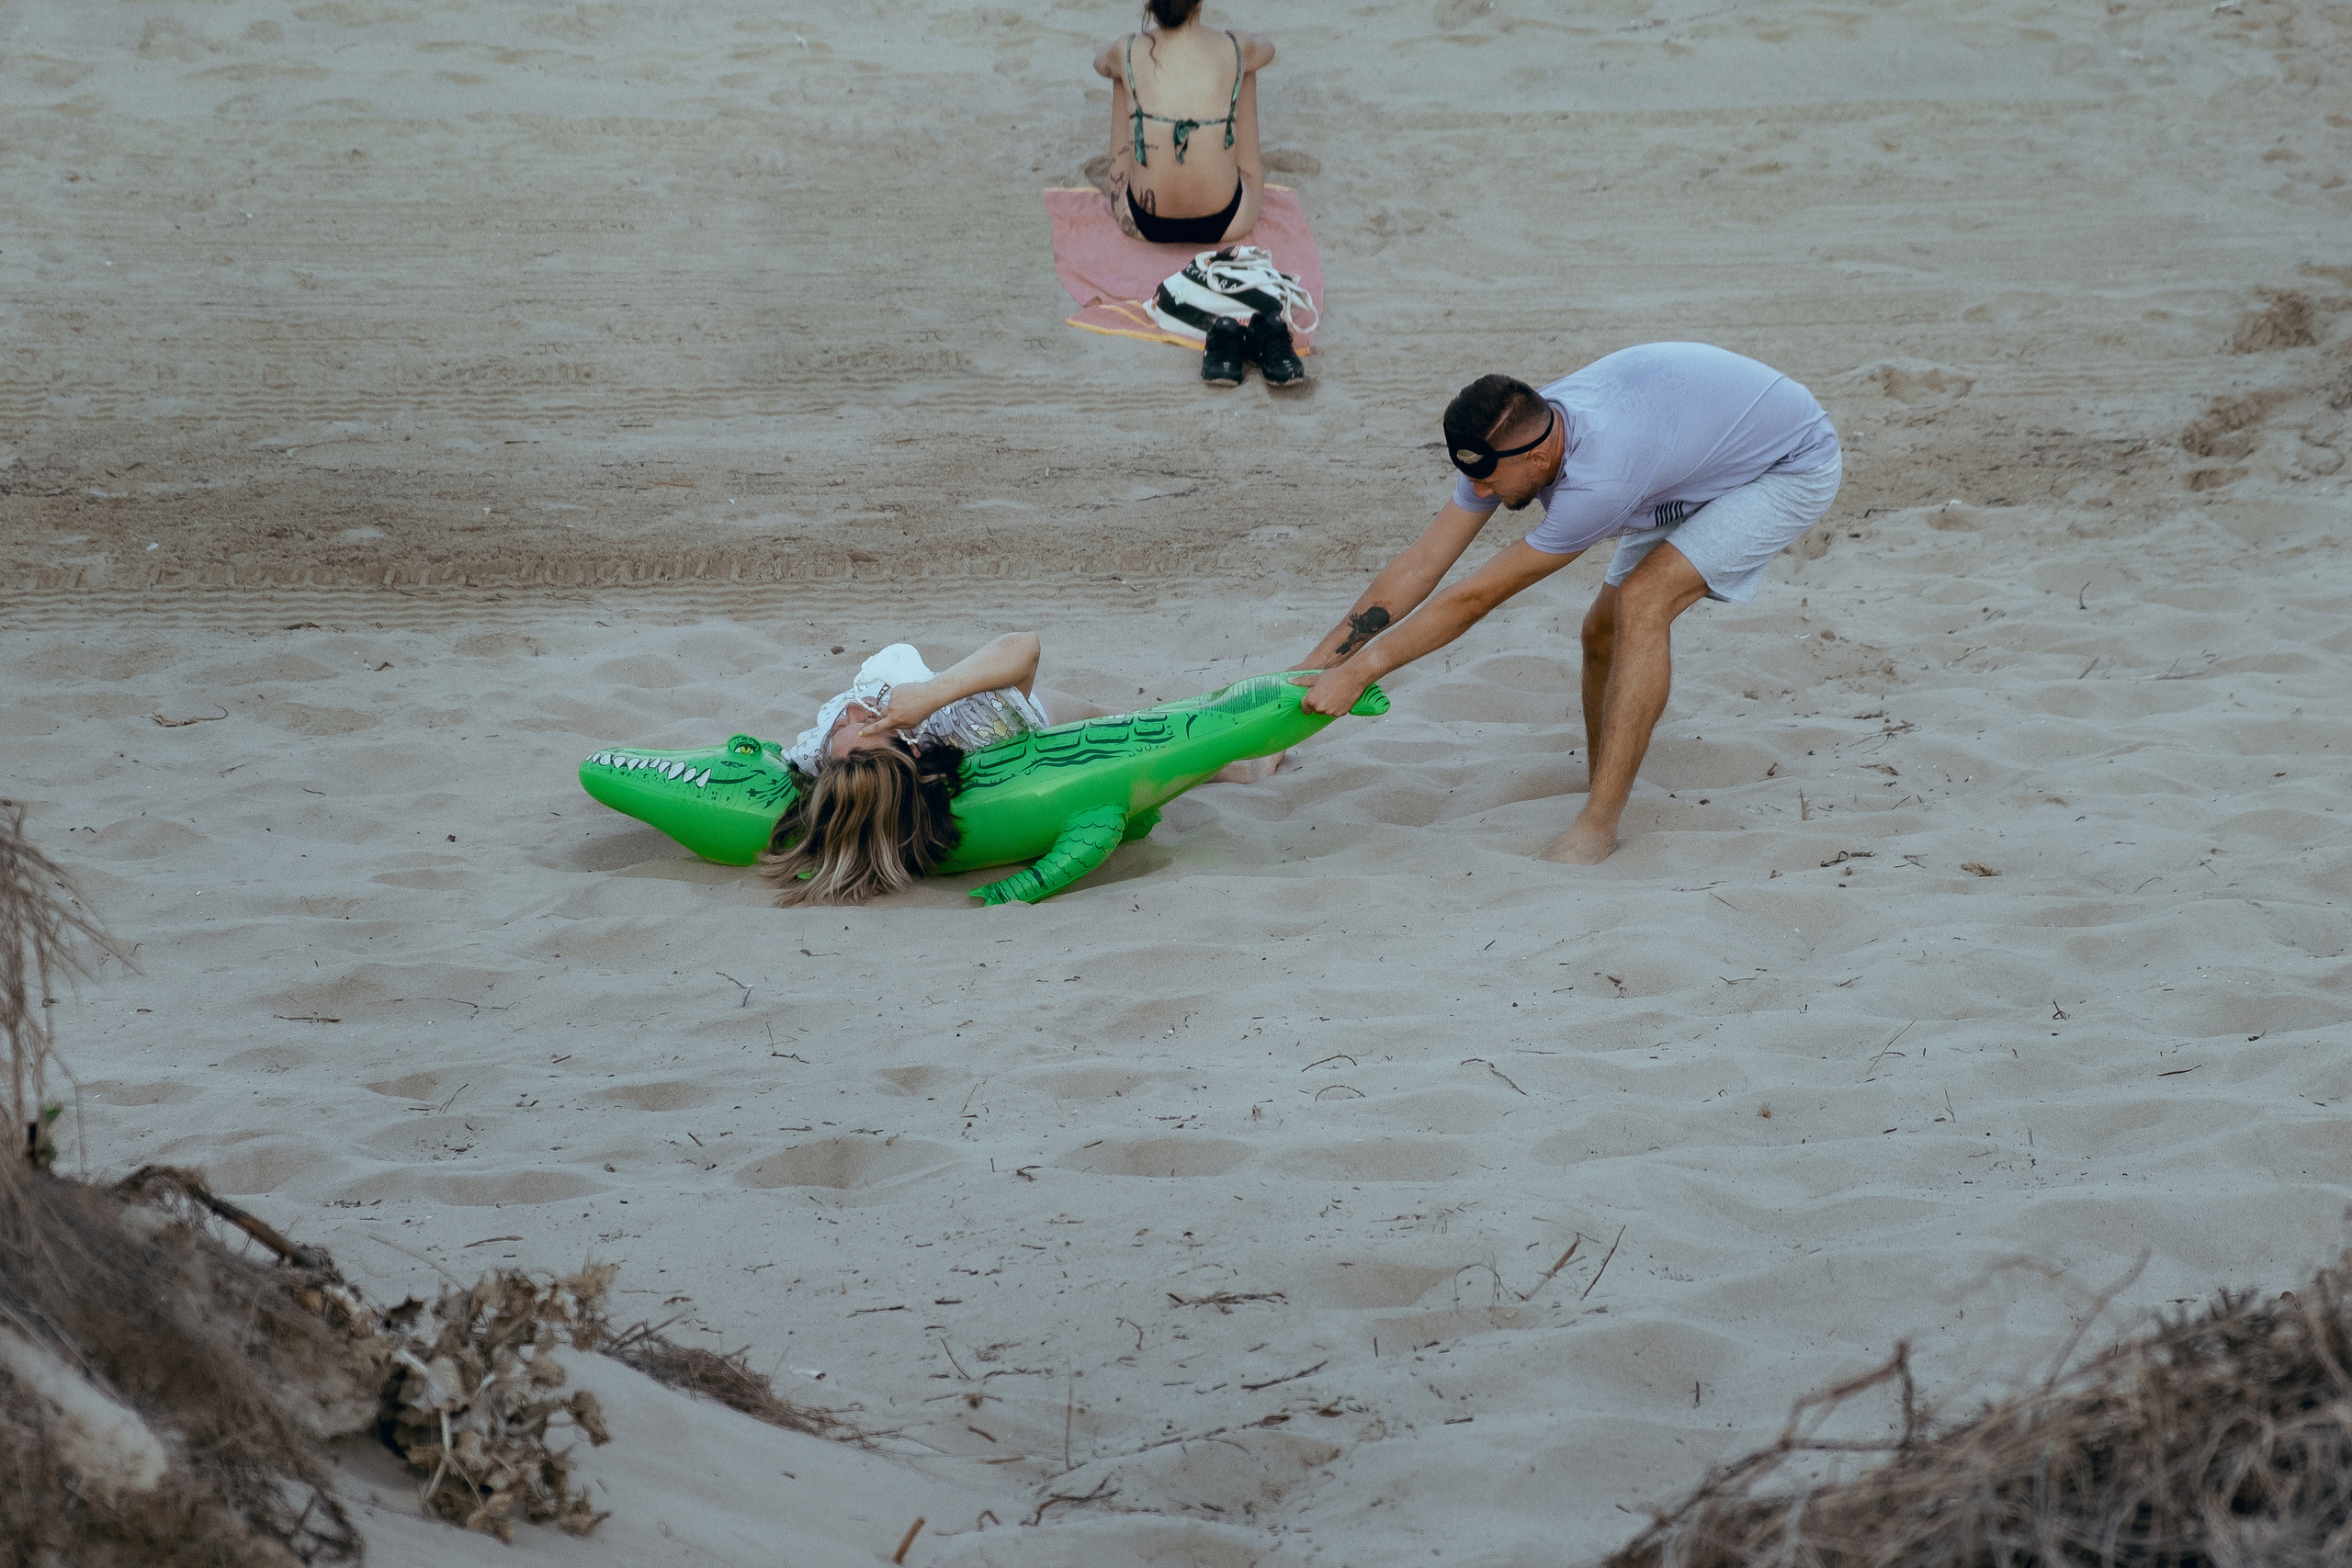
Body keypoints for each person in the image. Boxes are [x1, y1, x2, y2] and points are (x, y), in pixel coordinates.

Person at [1293, 343, 1843, 864]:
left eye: (1487, 478)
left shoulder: (1599, 478)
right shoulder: (1506, 436)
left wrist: (1364, 669)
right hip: (1696, 450)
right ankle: (1607, 770)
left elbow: (1477, 595)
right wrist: (1309, 676)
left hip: (1788, 464)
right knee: (1599, 633)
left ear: (1538, 455)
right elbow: (1422, 564)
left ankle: (1598, 825)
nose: (1477, 491)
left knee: (1643, 600)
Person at [763, 634, 1279, 905]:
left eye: (843, 730)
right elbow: (1024, 645)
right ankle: (1249, 762)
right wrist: (927, 697)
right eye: (873, 724)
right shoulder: (963, 725)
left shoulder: (827, 768)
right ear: (914, 748)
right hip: (1042, 730)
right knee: (1143, 731)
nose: (853, 713)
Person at [1092, 1, 1301, 387]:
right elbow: (1268, 48)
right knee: (1245, 68)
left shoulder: (1126, 47)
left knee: (1123, 76)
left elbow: (1099, 64)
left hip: (1141, 220)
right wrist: (1240, 54)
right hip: (1229, 220)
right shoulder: (1234, 45)